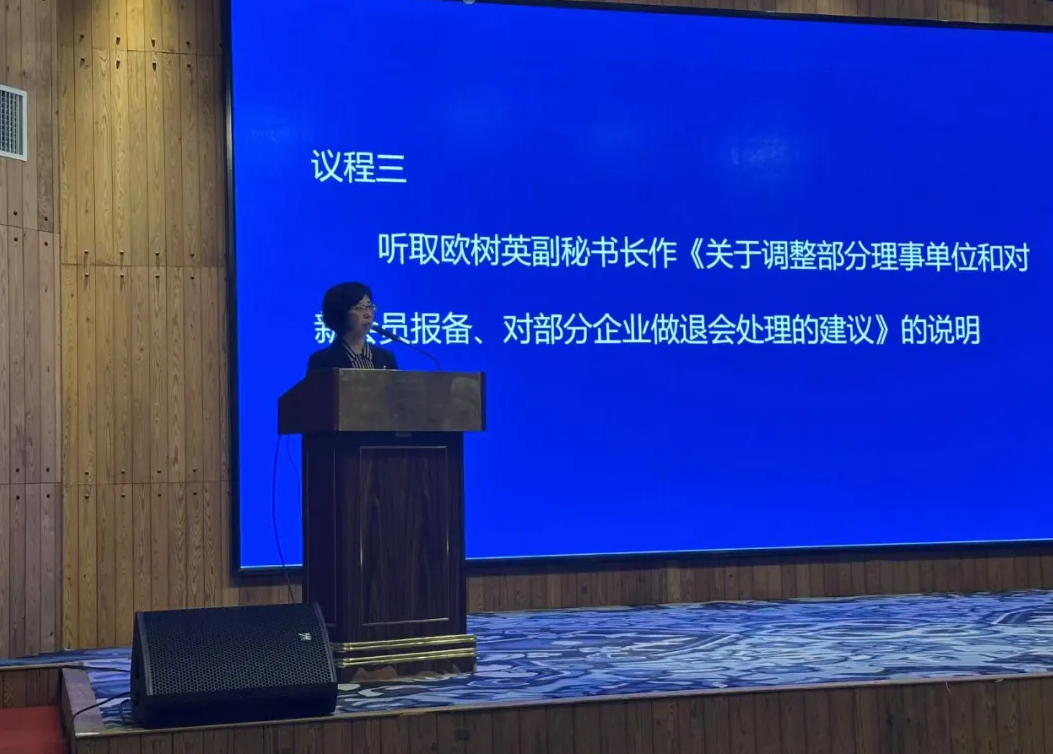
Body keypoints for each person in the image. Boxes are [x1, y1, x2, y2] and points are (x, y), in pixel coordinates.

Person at [306, 282, 398, 371]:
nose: (368, 314)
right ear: (340, 314)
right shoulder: (321, 361)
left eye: (370, 307)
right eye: (359, 308)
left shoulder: (386, 358)